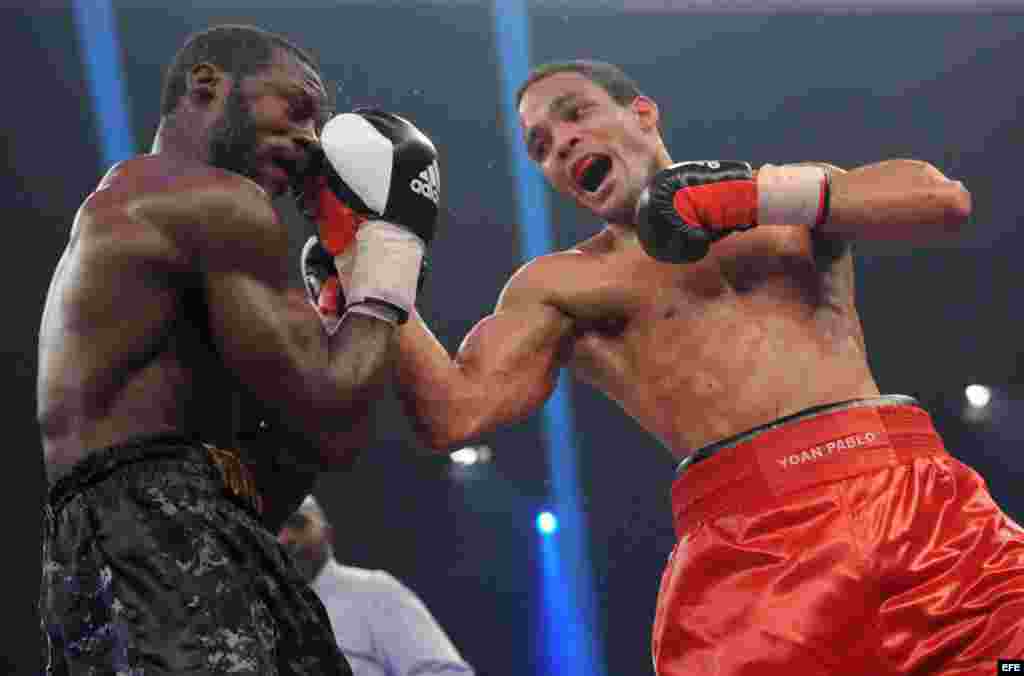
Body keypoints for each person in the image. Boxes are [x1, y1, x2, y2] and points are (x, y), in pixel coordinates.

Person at [301, 59, 1024, 674]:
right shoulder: (563, 285)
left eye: (575, 115)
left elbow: (940, 199)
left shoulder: (783, 203)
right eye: (541, 146)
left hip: (919, 514)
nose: (560, 146)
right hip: (752, 561)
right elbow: (454, 415)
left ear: (642, 112)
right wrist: (378, 274)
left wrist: (751, 195)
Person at [38, 24, 440, 675]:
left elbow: (276, 468)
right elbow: (334, 421)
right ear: (206, 85)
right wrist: (391, 254)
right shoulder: (217, 201)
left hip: (102, 564)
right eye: (297, 108)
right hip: (171, 552)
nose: (312, 139)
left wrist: (336, 304)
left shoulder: (128, 205)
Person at [277, 496, 474, 676]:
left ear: (327, 534)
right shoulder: (263, 608)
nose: (284, 538)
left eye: (297, 524)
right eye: (275, 529)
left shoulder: (374, 591)